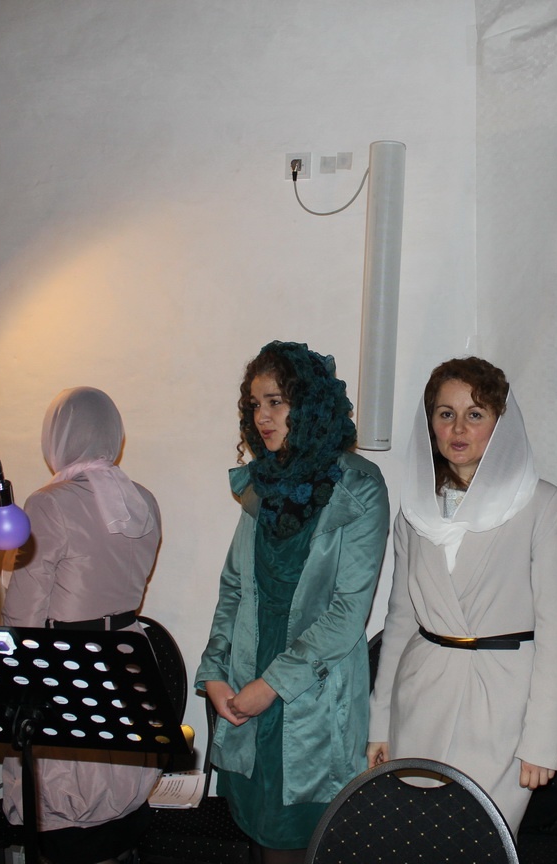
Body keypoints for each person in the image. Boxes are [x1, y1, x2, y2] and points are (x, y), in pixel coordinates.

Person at [195, 341, 389, 864]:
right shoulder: (262, 484)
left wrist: (271, 686)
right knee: (260, 838)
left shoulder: (359, 485)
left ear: (310, 405)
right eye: (255, 404)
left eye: (276, 402)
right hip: (247, 682)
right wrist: (214, 673)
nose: (263, 416)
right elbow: (235, 588)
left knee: (301, 841)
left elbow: (348, 613)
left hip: (313, 692)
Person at [368, 356, 557, 833]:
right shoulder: (415, 510)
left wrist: (542, 742)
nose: (459, 428)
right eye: (446, 413)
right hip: (419, 700)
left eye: (475, 413)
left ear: (500, 423)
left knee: (482, 842)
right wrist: (379, 723)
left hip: (504, 708)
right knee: (413, 841)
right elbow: (399, 621)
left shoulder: (545, 506)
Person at [0, 386, 163, 864]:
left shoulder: (48, 504)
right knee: (118, 797)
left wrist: (8, 672)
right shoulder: (144, 500)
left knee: (67, 809)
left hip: (68, 664)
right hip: (128, 659)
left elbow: (23, 616)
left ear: (57, 436)